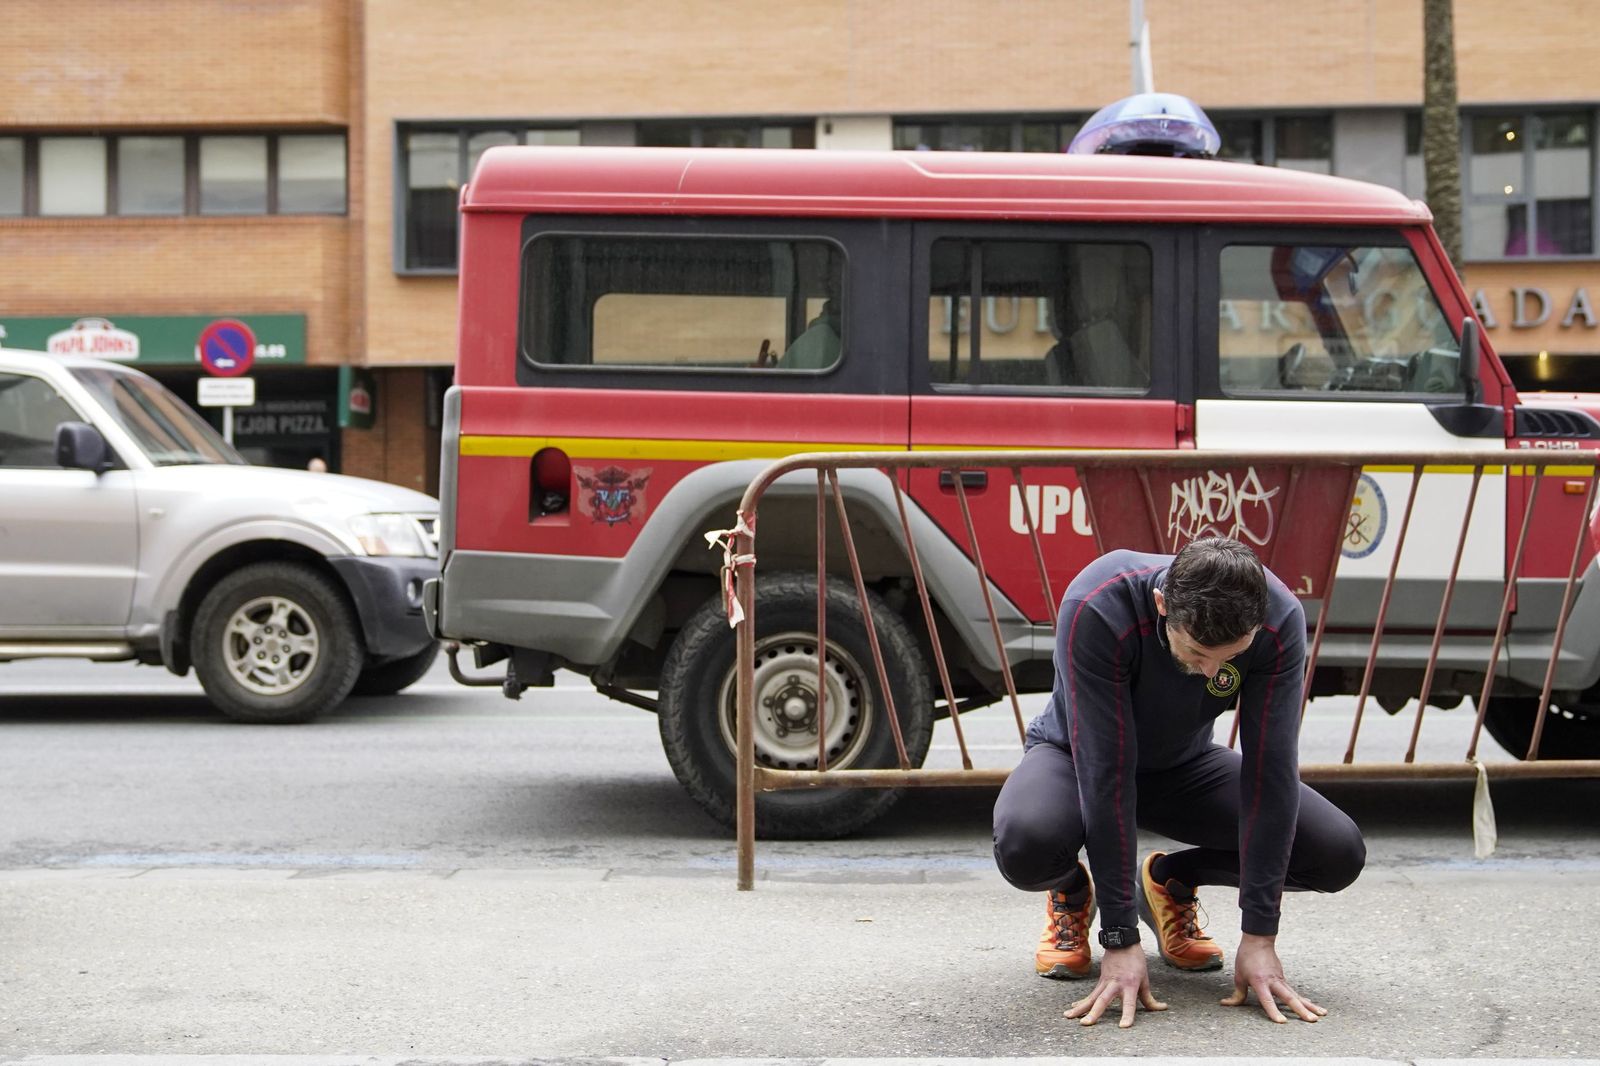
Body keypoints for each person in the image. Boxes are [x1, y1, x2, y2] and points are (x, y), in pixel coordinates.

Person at [992, 537, 1365, 1029]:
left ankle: (1171, 878)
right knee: (1026, 844)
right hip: (1077, 761)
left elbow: (1270, 773)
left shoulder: (1279, 616)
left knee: (1336, 852)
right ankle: (1072, 888)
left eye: (1230, 658)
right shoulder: (1098, 604)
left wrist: (1259, 937)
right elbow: (1106, 774)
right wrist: (1120, 938)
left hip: (1182, 767)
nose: (1212, 672)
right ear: (1163, 605)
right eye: (1197, 652)